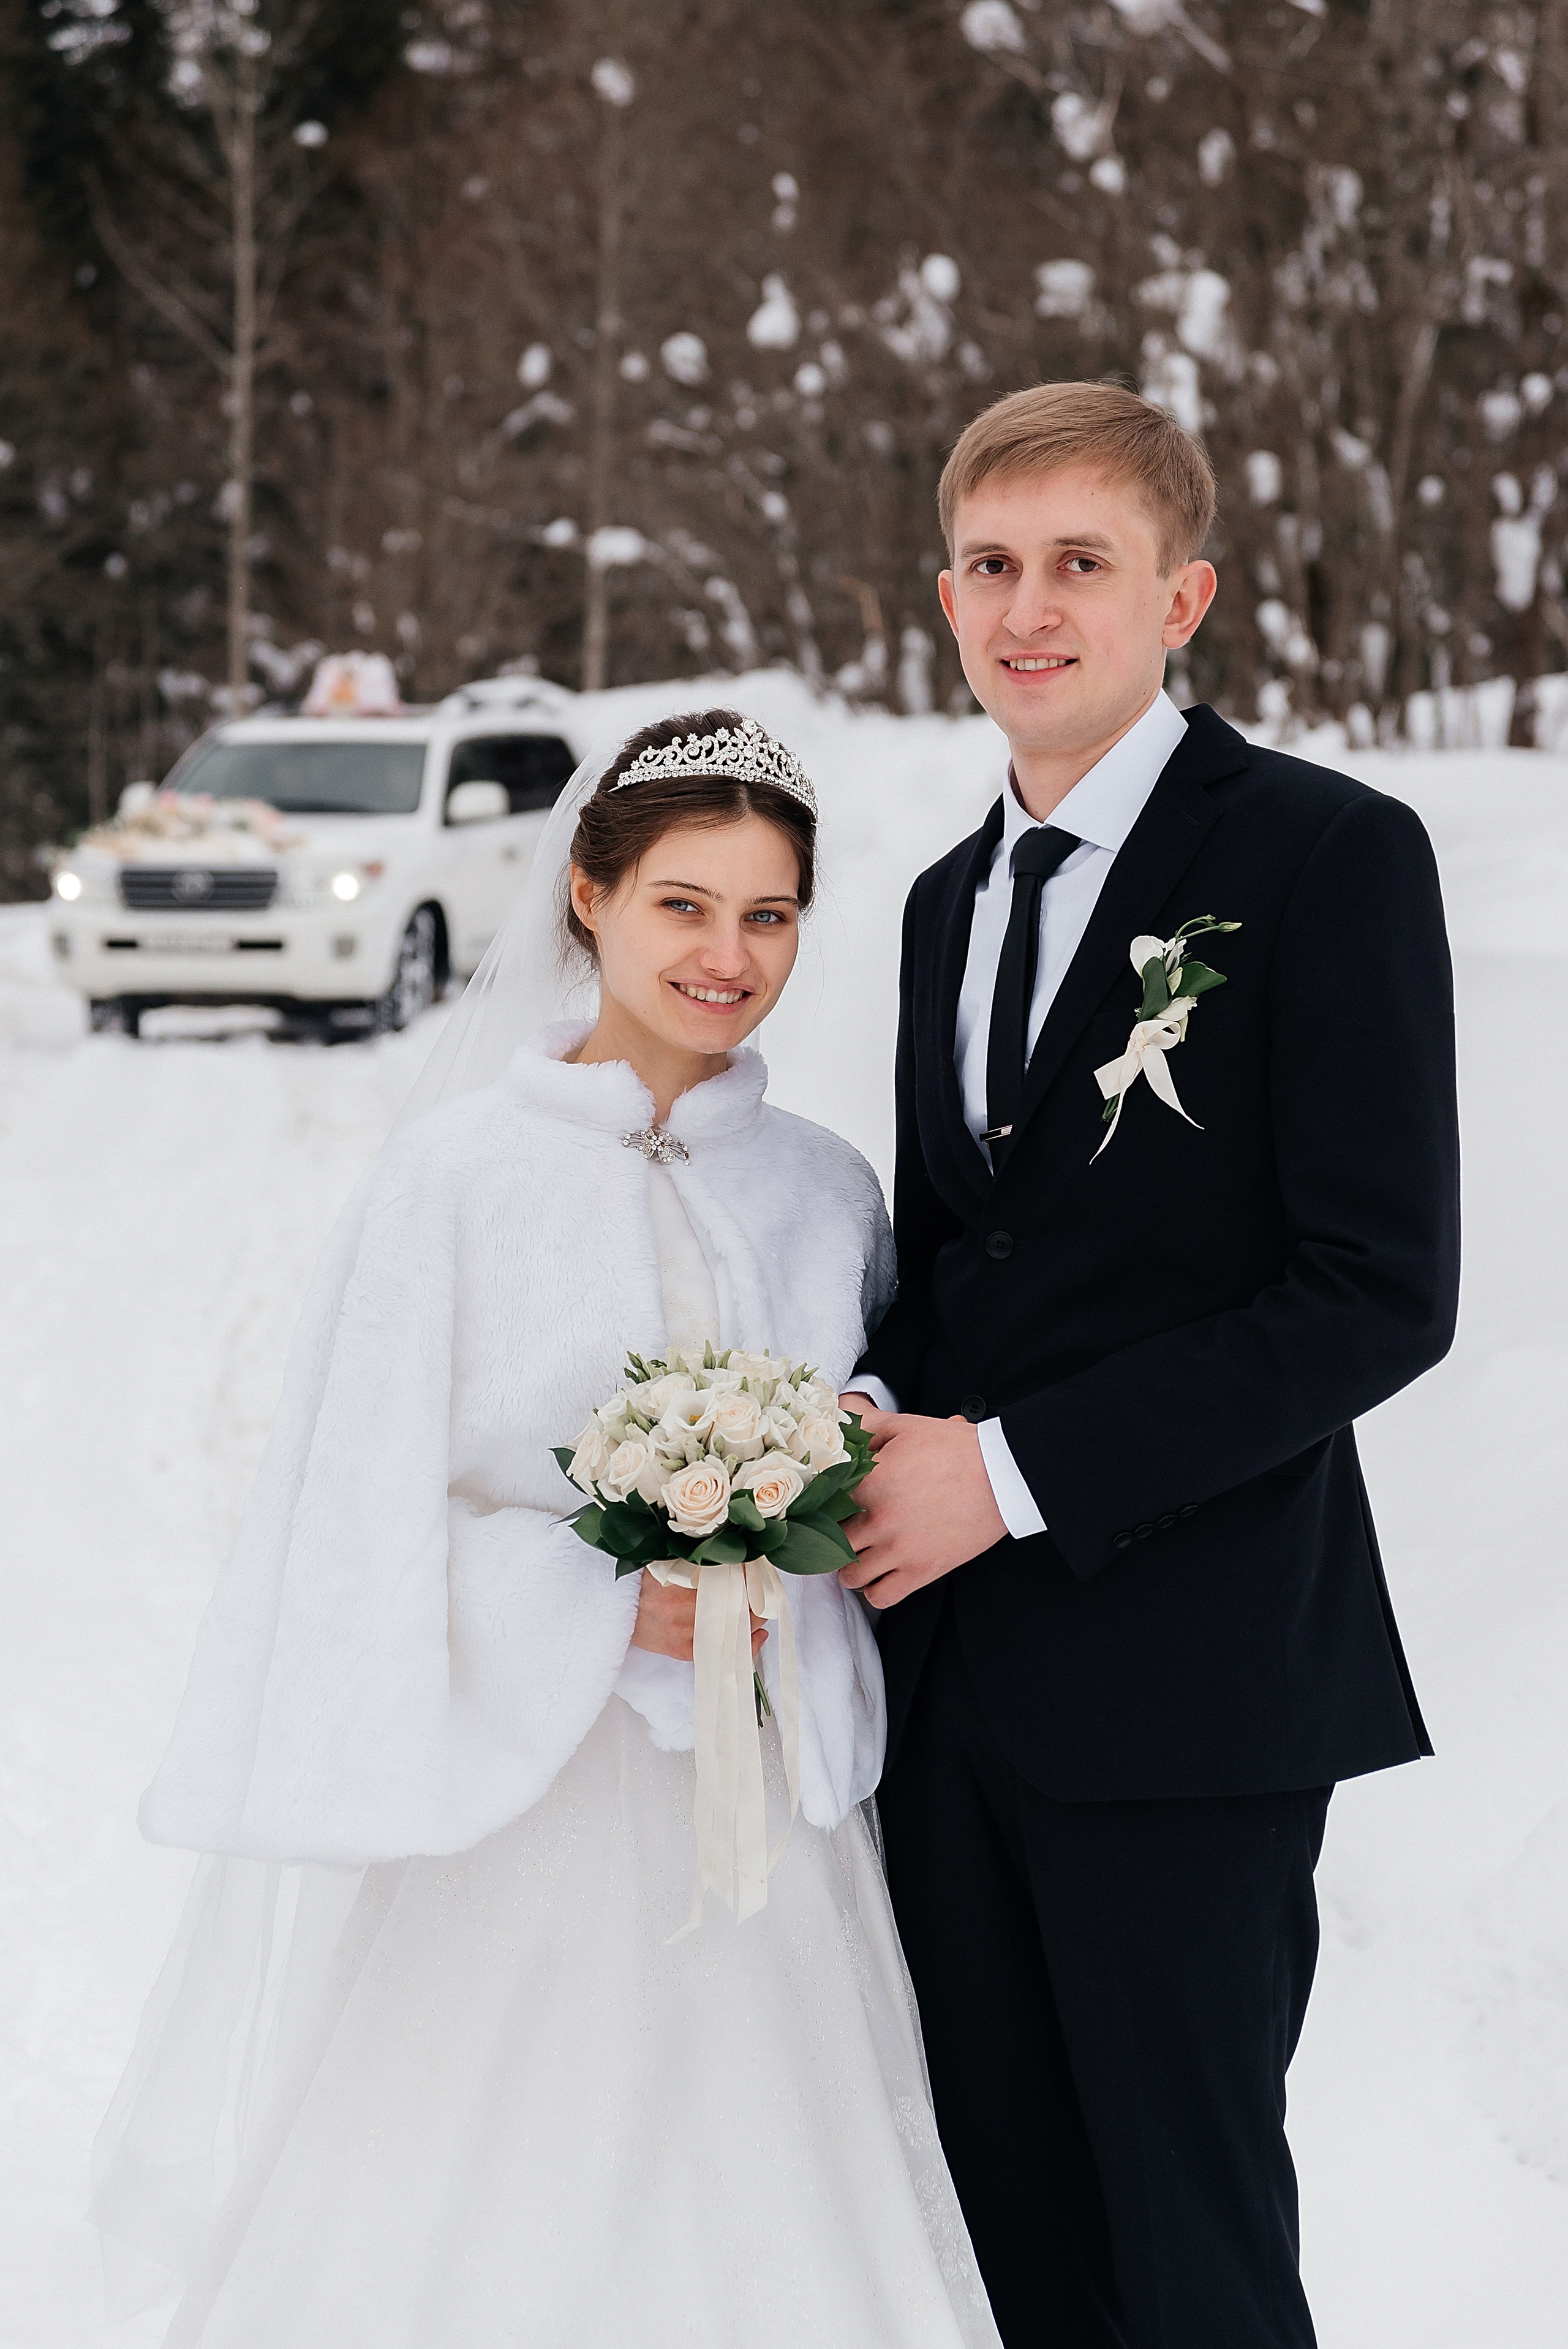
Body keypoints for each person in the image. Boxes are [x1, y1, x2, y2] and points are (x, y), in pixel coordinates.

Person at [92, 711, 1002, 2349]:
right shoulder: (454, 1181)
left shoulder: (824, 1188)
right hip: (531, 1799)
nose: (728, 954)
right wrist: (590, 1599)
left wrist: (840, 1447)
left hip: (769, 1826)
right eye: (682, 902)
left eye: (770, 914)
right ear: (589, 895)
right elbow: (356, 1525)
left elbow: (864, 1415)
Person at [839, 381, 1460, 2349]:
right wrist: (840, 1427)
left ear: (1180, 595)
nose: (1032, 608)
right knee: (1015, 2229)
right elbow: (972, 1268)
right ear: (946, 594)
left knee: (1190, 2244)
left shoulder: (1326, 854)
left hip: (1194, 1685)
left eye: (1082, 564)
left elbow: (1378, 1288)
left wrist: (1012, 1470)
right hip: (948, 1697)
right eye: (996, 566)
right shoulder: (946, 902)